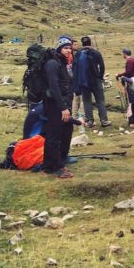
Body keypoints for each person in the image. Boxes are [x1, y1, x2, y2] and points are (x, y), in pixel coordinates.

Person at [42, 36, 77, 178]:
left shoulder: (62, 63)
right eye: (65, 48)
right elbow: (54, 87)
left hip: (63, 105)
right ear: (59, 48)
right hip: (54, 106)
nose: (68, 50)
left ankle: (60, 160)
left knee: (66, 130)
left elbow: (65, 84)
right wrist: (63, 107)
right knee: (54, 135)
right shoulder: (53, 64)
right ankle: (53, 167)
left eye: (70, 48)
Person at [73, 36, 111, 128]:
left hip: (83, 81)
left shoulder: (78, 54)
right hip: (95, 80)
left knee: (86, 101)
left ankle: (90, 121)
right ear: (90, 43)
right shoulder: (96, 53)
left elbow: (75, 68)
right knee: (100, 100)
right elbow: (102, 66)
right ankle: (104, 120)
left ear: (82, 44)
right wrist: (100, 76)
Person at [116, 48, 134, 124]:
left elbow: (128, 72)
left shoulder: (129, 61)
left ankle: (132, 118)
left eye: (123, 54)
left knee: (131, 100)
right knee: (133, 100)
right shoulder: (133, 60)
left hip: (131, 82)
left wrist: (119, 75)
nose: (122, 55)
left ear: (125, 54)